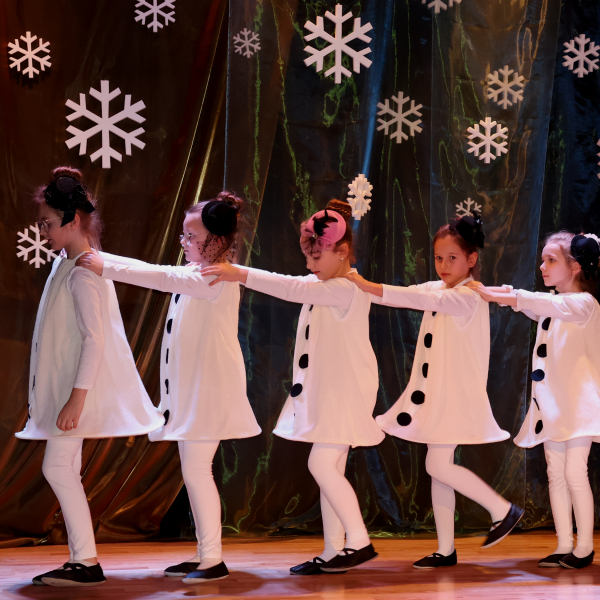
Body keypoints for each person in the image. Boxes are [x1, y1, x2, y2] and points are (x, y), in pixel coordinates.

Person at [77, 192, 261, 583]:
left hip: (208, 392)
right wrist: (100, 258)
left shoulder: (216, 275)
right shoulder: (198, 273)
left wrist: (104, 264)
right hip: (192, 391)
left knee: (197, 471)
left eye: (192, 236)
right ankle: (206, 554)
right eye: (184, 235)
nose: (184, 242)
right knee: (195, 471)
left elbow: (160, 276)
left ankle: (212, 559)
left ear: (217, 240)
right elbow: (161, 272)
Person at [201, 199, 384, 575]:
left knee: (321, 464)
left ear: (341, 252)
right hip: (330, 392)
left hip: (345, 392)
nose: (309, 266)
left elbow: (290, 288)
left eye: (316, 258)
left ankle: (359, 541)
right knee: (330, 469)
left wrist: (239, 273)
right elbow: (299, 287)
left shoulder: (346, 288)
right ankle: (334, 550)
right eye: (307, 258)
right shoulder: (326, 284)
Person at [346, 215, 524, 569]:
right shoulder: (439, 289)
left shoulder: (468, 296)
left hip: (454, 396)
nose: (444, 265)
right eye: (439, 257)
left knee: (437, 464)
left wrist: (364, 284)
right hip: (436, 395)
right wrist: (364, 288)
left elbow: (410, 298)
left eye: (452, 258)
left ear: (471, 259)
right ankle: (446, 550)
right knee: (438, 466)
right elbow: (411, 293)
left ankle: (502, 510)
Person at [17, 167, 164, 587]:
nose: (43, 231)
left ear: (73, 220)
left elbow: (95, 340)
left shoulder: (83, 271)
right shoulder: (68, 263)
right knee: (63, 467)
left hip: (75, 392)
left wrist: (76, 399)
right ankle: (83, 559)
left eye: (47, 223)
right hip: (66, 387)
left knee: (58, 468)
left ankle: (86, 561)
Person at [470, 231, 600, 569]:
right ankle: (564, 544)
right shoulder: (552, 306)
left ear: (575, 267)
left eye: (551, 260)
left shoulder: (583, 304)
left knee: (575, 472)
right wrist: (483, 291)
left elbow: (537, 302)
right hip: (553, 406)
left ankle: (585, 548)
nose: (543, 266)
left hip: (580, 407)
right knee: (556, 473)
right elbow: (524, 301)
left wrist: (504, 295)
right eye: (543, 260)